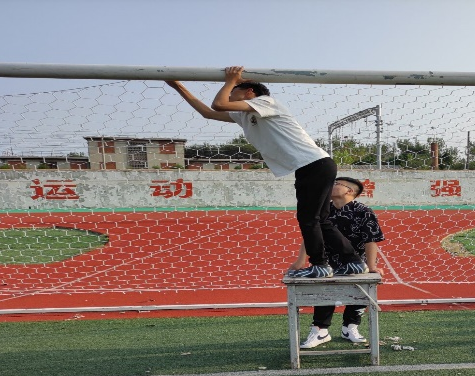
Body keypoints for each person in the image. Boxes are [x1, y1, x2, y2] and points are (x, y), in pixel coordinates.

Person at [165, 66, 365, 279]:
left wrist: (231, 80)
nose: (230, 95)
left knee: (309, 219)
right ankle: (353, 262)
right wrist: (178, 86)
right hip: (312, 165)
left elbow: (219, 104)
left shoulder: (266, 102)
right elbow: (208, 112)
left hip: (314, 164)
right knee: (319, 219)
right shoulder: (245, 115)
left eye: (234, 91)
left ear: (249, 92)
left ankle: (320, 265)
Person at [290, 177, 385, 349]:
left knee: (359, 293)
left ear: (349, 191)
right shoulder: (323, 211)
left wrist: (371, 267)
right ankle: (320, 330)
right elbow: (310, 237)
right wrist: (300, 261)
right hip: (327, 263)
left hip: (357, 264)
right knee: (325, 293)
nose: (332, 186)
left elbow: (371, 240)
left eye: (336, 184)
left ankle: (350, 327)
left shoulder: (364, 212)